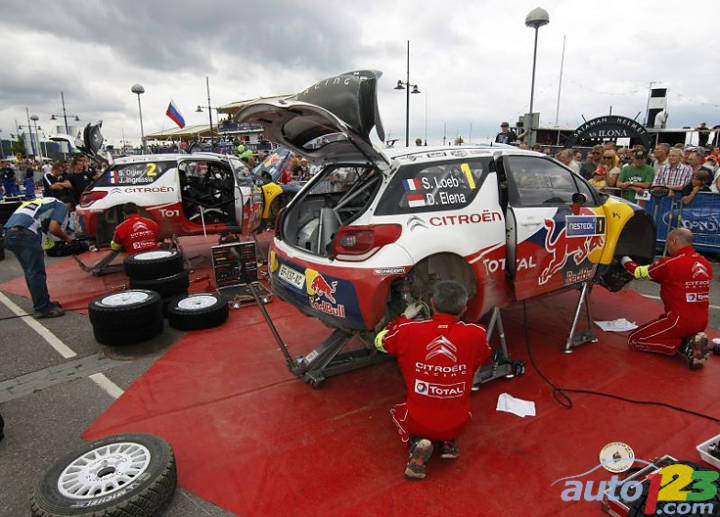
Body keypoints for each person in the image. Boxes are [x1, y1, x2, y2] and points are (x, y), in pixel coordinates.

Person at [374, 280, 491, 479]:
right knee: (452, 412)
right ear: (464, 308)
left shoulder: (408, 331)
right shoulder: (477, 334)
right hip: (459, 421)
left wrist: (403, 318)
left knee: (398, 412)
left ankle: (417, 448)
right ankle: (448, 442)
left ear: (432, 303)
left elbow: (380, 342)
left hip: (419, 420)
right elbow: (483, 355)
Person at [621, 228, 711, 369]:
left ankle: (684, 345)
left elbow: (638, 273)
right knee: (662, 324)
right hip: (702, 320)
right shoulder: (705, 263)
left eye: (667, 243)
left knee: (634, 339)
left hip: (678, 321)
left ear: (673, 241)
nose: (667, 246)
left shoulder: (670, 263)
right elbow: (674, 281)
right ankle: (690, 339)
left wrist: (624, 259)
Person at [3, 197, 75, 318]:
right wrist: (68, 239)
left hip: (10, 233)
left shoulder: (42, 201)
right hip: (25, 233)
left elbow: (46, 229)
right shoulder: (61, 206)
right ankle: (42, 308)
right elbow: (54, 228)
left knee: (30, 271)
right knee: (36, 272)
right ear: (70, 206)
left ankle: (42, 302)